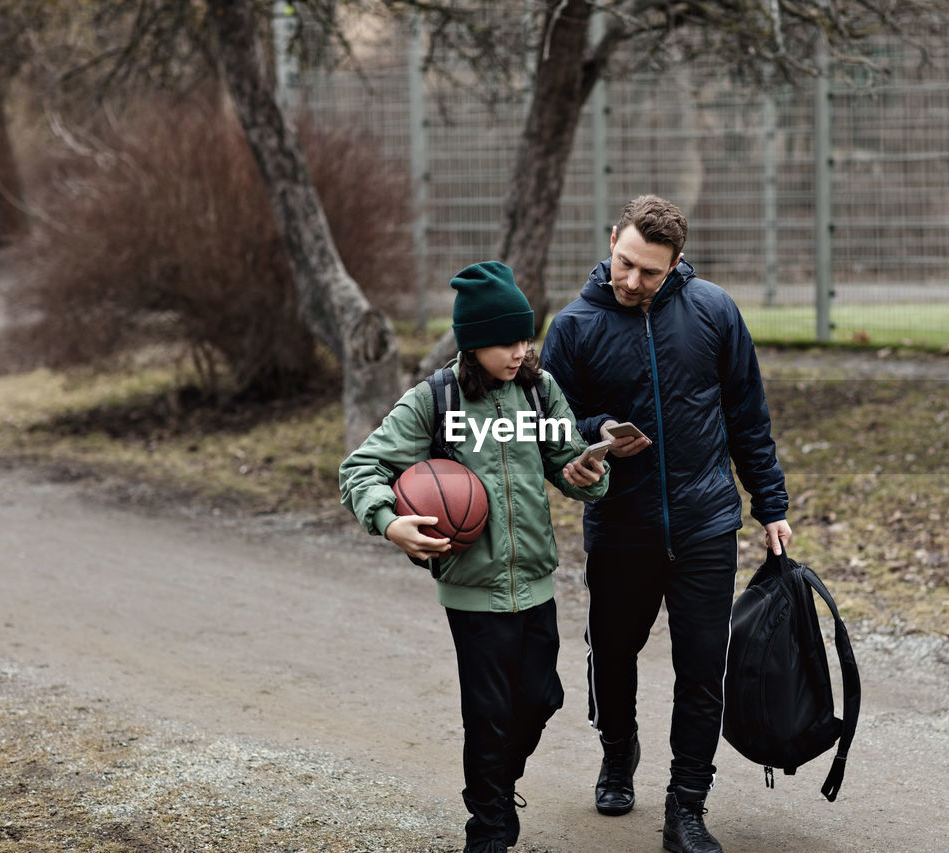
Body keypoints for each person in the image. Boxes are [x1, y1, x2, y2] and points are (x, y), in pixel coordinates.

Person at [541, 195, 791, 853]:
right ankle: (618, 748)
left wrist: (772, 506)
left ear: (676, 263)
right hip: (622, 529)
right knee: (614, 652)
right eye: (625, 263)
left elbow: (747, 416)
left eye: (649, 272)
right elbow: (550, 433)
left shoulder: (714, 312)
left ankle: (686, 809)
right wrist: (593, 437)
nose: (631, 280)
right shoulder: (572, 327)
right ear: (613, 237)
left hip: (706, 523)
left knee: (704, 668)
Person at [339, 261, 609, 853]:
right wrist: (390, 522)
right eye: (505, 340)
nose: (520, 350)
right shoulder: (434, 400)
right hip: (471, 589)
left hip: (536, 582)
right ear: (471, 342)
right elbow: (361, 468)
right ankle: (487, 825)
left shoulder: (539, 390)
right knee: (487, 714)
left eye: (525, 336)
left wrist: (590, 471)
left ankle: (495, 785)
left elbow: (573, 467)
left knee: (542, 700)